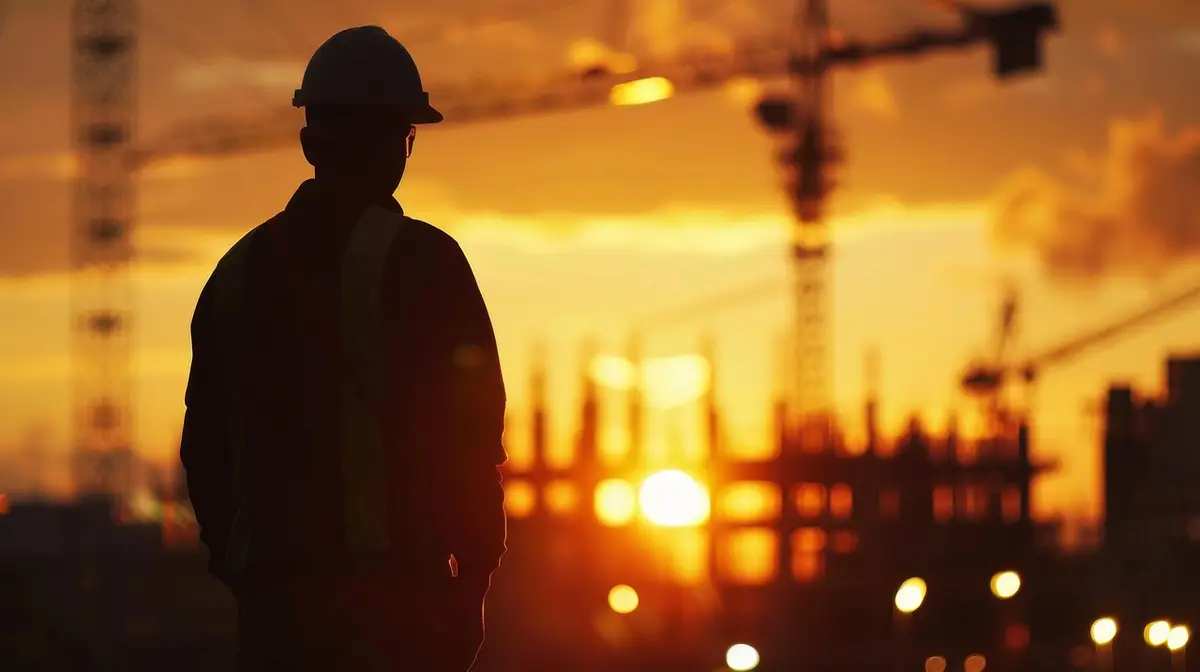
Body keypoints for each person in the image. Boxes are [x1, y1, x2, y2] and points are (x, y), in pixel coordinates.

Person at [179, 26, 507, 671]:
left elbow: (205, 445)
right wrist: (473, 576)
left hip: (275, 606)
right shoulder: (424, 261)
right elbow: (469, 433)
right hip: (394, 601)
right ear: (401, 144)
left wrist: (241, 567)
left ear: (308, 143)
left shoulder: (236, 272)